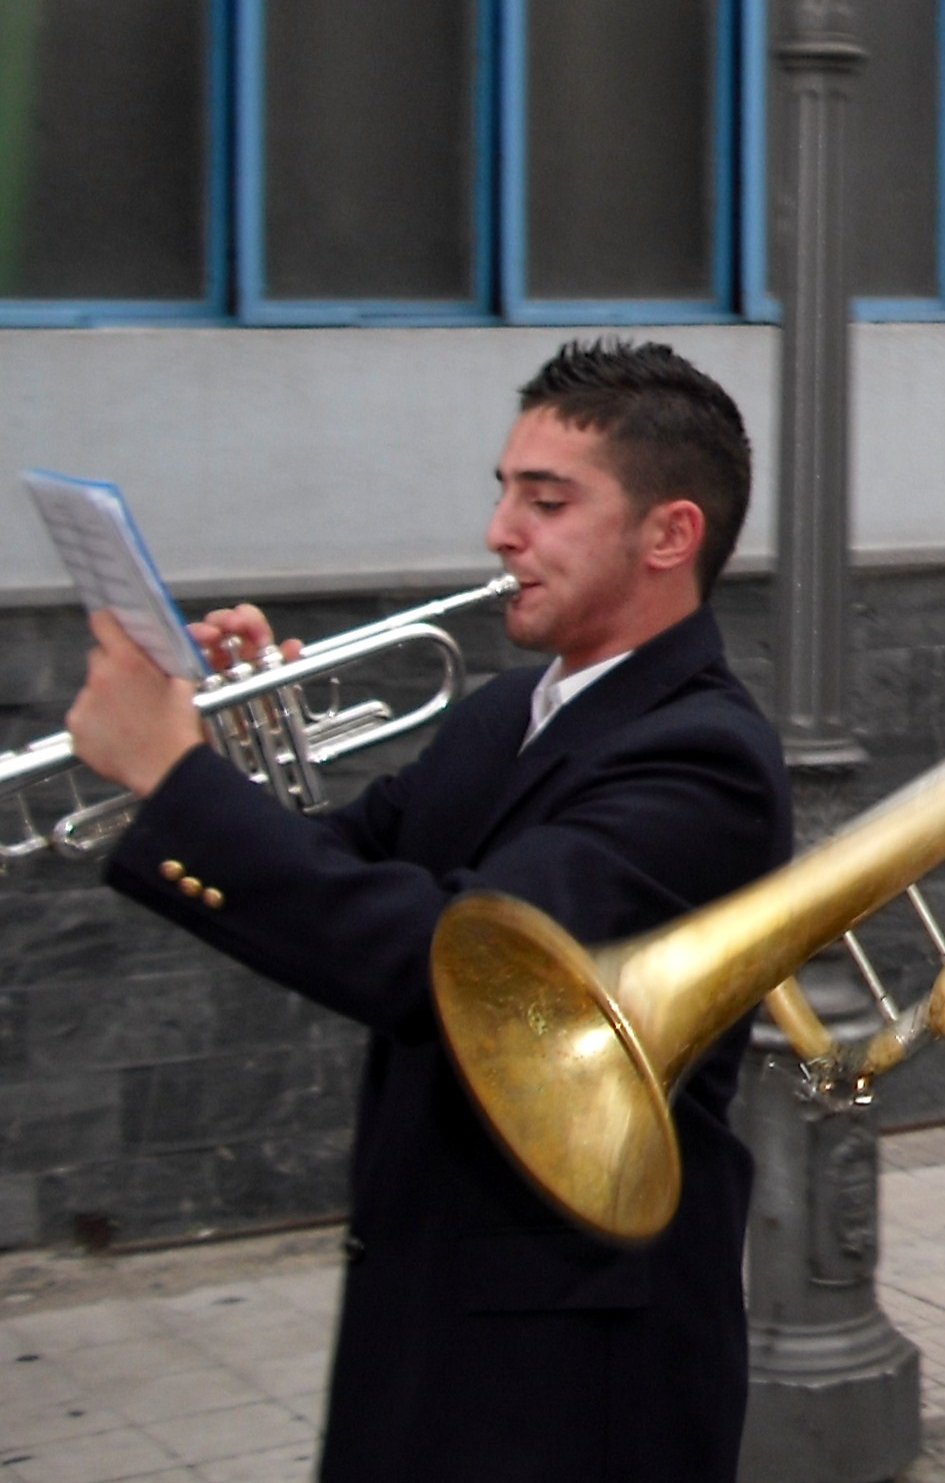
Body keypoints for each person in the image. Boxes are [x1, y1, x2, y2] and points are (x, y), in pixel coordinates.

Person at [63, 339, 792, 1483]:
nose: (501, 531)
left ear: (669, 535)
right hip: (433, 1308)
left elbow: (448, 963)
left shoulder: (706, 757)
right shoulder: (508, 711)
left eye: (546, 501)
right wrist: (220, 755)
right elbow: (343, 870)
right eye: (504, 493)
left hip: (576, 1369)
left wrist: (174, 778)